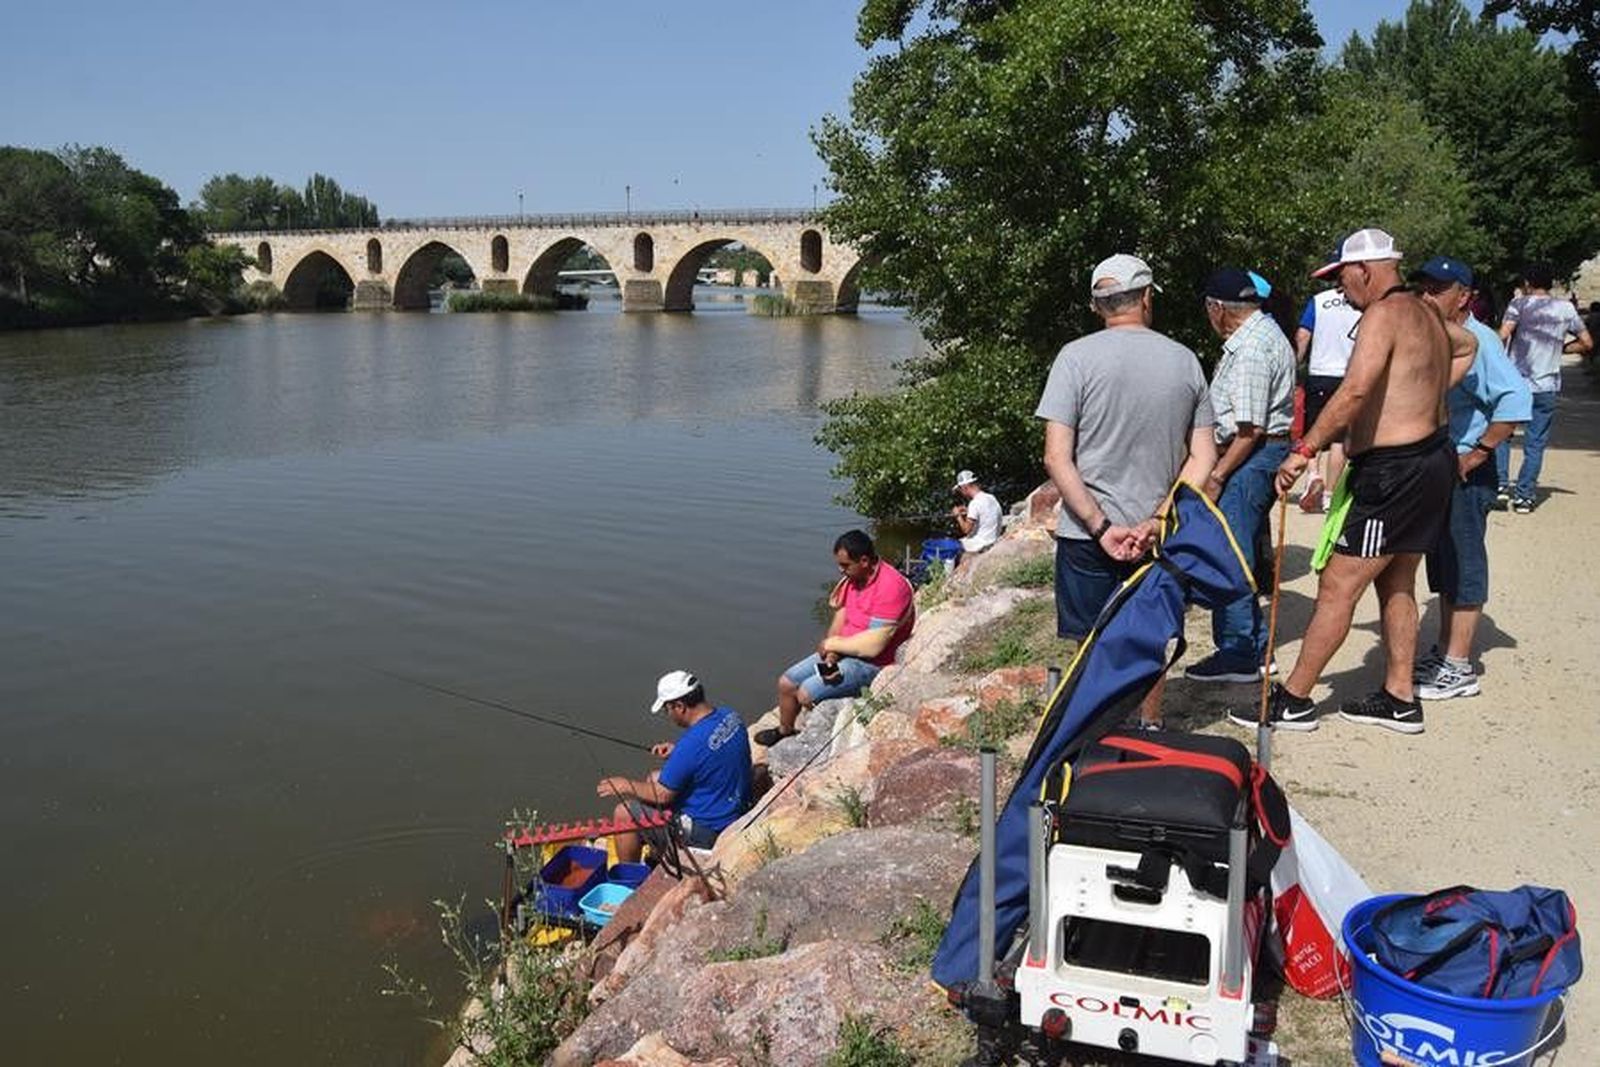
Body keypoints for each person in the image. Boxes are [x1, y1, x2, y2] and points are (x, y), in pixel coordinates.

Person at [1231, 228, 1474, 735]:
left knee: (1337, 584)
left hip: (1393, 472)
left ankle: (1293, 699)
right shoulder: (1428, 311)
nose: (1342, 291)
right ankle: (1400, 696)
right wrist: (1423, 393)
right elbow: (1466, 343)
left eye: (1342, 278)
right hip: (1431, 460)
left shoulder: (1383, 315)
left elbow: (1355, 391)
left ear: (1365, 269)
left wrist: (1304, 449)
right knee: (1397, 578)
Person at [1036, 252, 1216, 725]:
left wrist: (1100, 527)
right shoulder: (1185, 361)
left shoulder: (1074, 358)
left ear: (1098, 307)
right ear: (1147, 298)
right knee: (1150, 636)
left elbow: (1056, 456)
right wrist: (1157, 520)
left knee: (1090, 640)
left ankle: (1092, 734)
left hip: (1086, 534)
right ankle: (1149, 729)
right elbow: (1204, 457)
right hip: (1158, 537)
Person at [1410, 256, 1531, 700]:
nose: (1427, 295)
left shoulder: (1479, 341)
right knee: (1444, 563)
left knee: (1464, 561)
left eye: (1437, 288)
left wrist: (1476, 454)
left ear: (1464, 296)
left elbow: (1516, 403)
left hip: (1466, 472)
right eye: (1423, 287)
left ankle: (1459, 665)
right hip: (1442, 467)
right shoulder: (1441, 337)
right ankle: (1445, 651)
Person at [1184, 268, 1297, 683]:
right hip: (1257, 453)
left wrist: (1217, 474)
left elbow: (1249, 430)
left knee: (1230, 553)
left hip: (1249, 456)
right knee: (1240, 545)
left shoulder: (1249, 351)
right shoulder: (1264, 334)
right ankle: (1253, 643)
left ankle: (1238, 652)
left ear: (1217, 309)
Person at [759, 529, 915, 746]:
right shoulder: (853, 579)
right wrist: (831, 654)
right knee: (786, 683)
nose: (840, 571)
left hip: (874, 663)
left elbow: (874, 646)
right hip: (844, 650)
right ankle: (785, 731)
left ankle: (821, 731)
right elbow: (840, 620)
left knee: (805, 693)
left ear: (864, 561)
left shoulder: (891, 587)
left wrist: (833, 644)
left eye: (845, 565)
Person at [597, 670, 752, 862]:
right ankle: (658, 850)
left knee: (624, 813)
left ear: (679, 706)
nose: (668, 715)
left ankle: (630, 880)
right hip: (734, 804)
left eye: (667, 709)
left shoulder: (691, 744)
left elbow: (663, 795)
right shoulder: (729, 716)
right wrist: (677, 752)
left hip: (708, 829)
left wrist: (625, 785)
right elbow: (709, 750)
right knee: (654, 777)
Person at [1495, 263, 1594, 512]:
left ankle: (1500, 486)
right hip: (1547, 384)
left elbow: (1504, 335)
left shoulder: (1519, 305)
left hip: (1515, 382)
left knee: (1502, 435)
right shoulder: (1566, 308)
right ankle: (1525, 496)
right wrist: (1560, 348)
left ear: (1527, 282)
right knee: (1535, 443)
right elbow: (1586, 342)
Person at [1292, 283, 1362, 513]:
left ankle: (1312, 475)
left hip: (1320, 372)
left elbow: (1303, 336)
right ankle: (1330, 495)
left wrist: (1295, 366)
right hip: (1348, 375)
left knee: (1312, 430)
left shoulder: (1319, 300)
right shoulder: (1361, 301)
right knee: (1339, 439)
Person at [951, 470, 1003, 553]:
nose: (961, 492)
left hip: (981, 545)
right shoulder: (991, 497)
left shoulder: (974, 504)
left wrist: (958, 516)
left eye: (960, 489)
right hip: (993, 540)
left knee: (953, 543)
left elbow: (966, 530)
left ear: (965, 487)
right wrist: (967, 510)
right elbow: (984, 512)